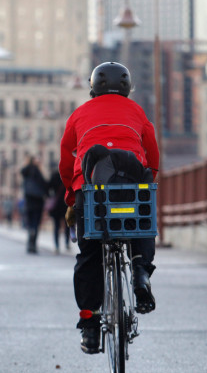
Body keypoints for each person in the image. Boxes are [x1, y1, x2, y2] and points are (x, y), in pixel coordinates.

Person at [59, 61, 160, 354]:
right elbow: (152, 152)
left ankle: (90, 326)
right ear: (128, 88)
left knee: (89, 255)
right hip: (129, 185)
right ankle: (141, 271)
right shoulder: (137, 112)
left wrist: (70, 196)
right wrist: (147, 181)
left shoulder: (79, 114)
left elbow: (66, 159)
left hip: (90, 191)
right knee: (139, 217)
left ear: (93, 87)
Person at [20, 155, 48, 254]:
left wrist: (30, 163)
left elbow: (22, 171)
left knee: (30, 223)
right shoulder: (39, 172)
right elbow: (46, 186)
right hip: (38, 202)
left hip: (29, 201)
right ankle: (33, 245)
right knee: (35, 224)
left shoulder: (27, 172)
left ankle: (30, 244)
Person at [48, 168, 70, 254]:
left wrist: (51, 196)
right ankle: (67, 243)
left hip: (56, 205)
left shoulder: (54, 175)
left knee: (56, 226)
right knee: (67, 224)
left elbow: (48, 187)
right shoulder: (67, 175)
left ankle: (57, 245)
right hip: (66, 203)